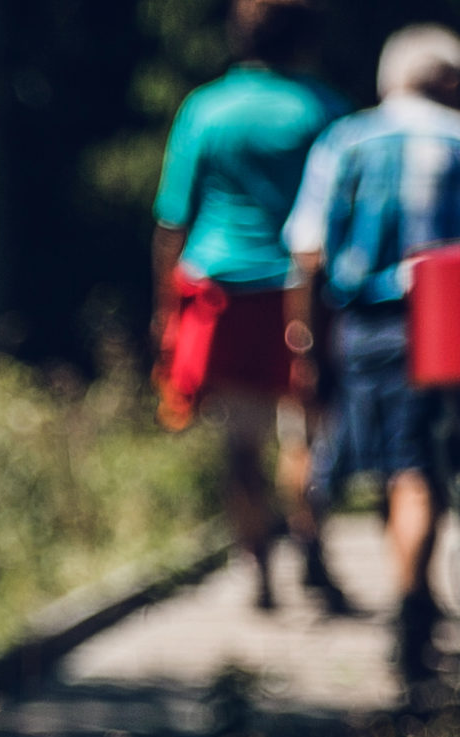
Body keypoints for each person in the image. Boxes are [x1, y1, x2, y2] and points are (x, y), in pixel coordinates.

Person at [152, 0, 348, 611]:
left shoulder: (204, 109)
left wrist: (164, 307)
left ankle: (257, 566)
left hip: (220, 293)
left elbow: (171, 221)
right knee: (306, 430)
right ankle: (310, 537)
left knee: (239, 442)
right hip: (303, 293)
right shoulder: (326, 111)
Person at [285, 24, 460, 691]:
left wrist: (306, 340)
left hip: (373, 326)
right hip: (450, 319)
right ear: (446, 80)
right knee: (421, 467)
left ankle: (409, 607)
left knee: (403, 466)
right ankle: (415, 605)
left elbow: (307, 250)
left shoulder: (347, 140)